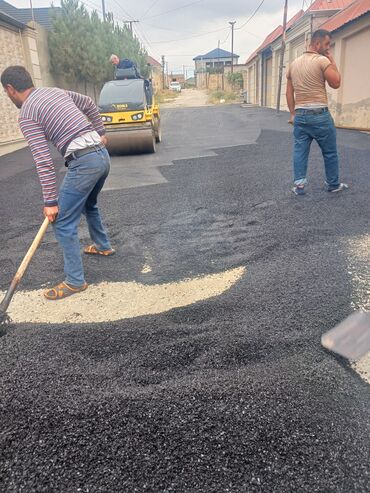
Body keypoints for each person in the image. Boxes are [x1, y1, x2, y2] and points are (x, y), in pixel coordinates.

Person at [1, 65, 115, 300]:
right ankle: (103, 246)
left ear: (11, 89)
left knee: (62, 222)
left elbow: (43, 160)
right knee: (88, 204)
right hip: (102, 157)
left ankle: (75, 281)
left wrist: (50, 201)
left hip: (84, 162)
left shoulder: (28, 114)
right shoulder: (55, 91)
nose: (7, 96)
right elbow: (89, 103)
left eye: (5, 92)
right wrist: (100, 131)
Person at [286, 29, 348, 196]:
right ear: (317, 43)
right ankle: (333, 184)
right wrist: (331, 59)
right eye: (327, 44)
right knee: (329, 152)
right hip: (319, 115)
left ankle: (299, 187)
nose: (328, 48)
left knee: (300, 151)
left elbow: (288, 93)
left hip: (300, 115)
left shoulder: (294, 64)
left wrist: (293, 114)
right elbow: (336, 82)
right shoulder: (321, 60)